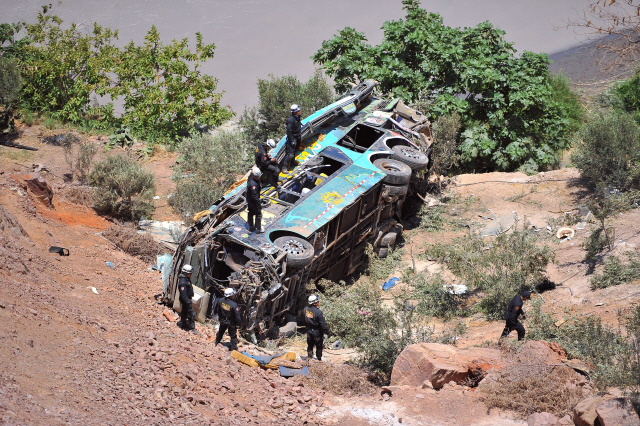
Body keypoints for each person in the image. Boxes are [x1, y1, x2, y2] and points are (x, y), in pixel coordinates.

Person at [304, 295, 330, 361]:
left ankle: (309, 358)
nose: (319, 302)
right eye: (317, 301)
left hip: (309, 331)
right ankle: (319, 359)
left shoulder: (306, 309)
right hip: (317, 332)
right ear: (314, 303)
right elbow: (323, 324)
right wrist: (328, 332)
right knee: (319, 347)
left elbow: (304, 319)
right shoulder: (318, 312)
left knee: (310, 345)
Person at [177, 264, 197, 333]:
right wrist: (188, 302)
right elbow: (183, 295)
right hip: (186, 300)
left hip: (187, 299)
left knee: (184, 312)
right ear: (186, 273)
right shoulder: (183, 282)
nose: (191, 274)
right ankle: (193, 328)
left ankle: (183, 323)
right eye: (190, 273)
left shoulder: (186, 279)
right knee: (191, 313)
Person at [282, 104, 302, 172]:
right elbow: (289, 131)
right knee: (290, 154)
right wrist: (292, 140)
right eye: (298, 111)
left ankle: (293, 162)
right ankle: (284, 167)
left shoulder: (298, 117)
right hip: (293, 138)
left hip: (298, 136)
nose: (300, 111)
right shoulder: (291, 120)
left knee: (296, 150)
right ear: (294, 112)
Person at [247, 166, 263, 233]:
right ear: (253, 175)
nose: (258, 178)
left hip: (249, 199)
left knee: (250, 212)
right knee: (258, 214)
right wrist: (258, 203)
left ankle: (251, 227)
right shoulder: (253, 185)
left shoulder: (252, 178)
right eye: (256, 177)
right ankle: (258, 229)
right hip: (253, 200)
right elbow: (254, 196)